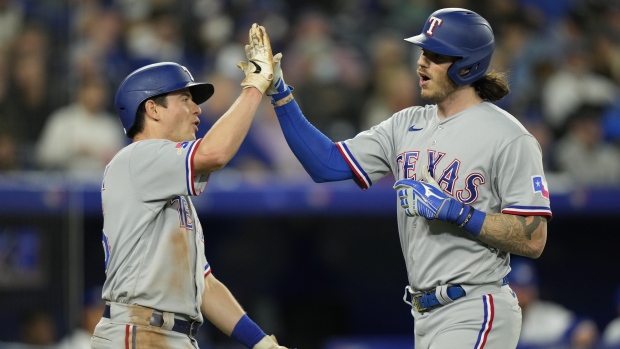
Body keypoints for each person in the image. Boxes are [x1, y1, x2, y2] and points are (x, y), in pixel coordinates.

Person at [269, 8, 551, 349]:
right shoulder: (406, 124)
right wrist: (280, 94)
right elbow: (326, 164)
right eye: (422, 52)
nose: (421, 63)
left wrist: (460, 213)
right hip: (424, 314)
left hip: (476, 306)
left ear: (467, 65)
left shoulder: (508, 136)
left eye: (435, 56)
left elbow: (533, 237)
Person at [92, 24, 290, 349]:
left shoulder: (172, 191)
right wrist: (255, 84)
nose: (197, 110)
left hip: (173, 335)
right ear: (152, 108)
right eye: (184, 99)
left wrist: (262, 344)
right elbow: (215, 153)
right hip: (139, 332)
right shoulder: (137, 158)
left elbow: (206, 286)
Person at [507, 257, 599, 349]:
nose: (524, 293)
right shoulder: (496, 314)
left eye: (527, 287)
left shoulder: (544, 314)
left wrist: (581, 333)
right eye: (517, 287)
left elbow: (584, 327)